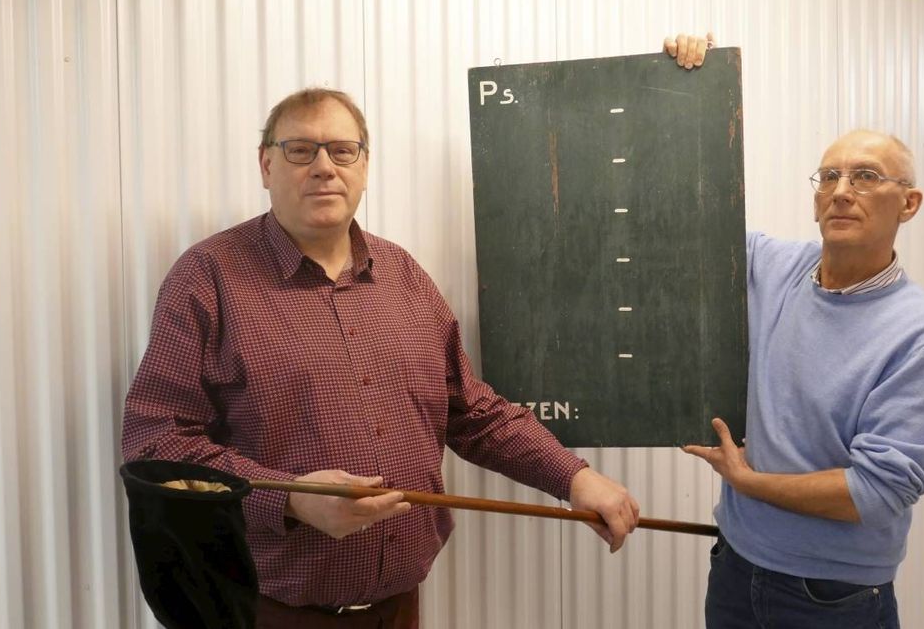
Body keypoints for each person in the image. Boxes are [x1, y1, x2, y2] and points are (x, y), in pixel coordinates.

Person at [122, 85, 646, 627]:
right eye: (301, 150)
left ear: (364, 166)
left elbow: (473, 412)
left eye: (342, 150)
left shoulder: (404, 277)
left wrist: (575, 479)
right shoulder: (207, 279)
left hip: (399, 609)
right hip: (268, 610)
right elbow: (156, 443)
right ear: (266, 166)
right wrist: (291, 501)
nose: (324, 167)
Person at [674, 52, 924, 627]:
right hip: (734, 566)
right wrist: (684, 86)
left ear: (910, 203)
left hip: (833, 595)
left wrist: (751, 483)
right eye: (829, 176)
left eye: (866, 176)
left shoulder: (920, 334)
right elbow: (683, 213)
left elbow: (875, 491)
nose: (841, 190)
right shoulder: (770, 265)